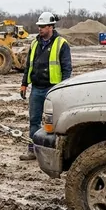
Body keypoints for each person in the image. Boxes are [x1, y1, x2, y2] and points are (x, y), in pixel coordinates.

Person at [19, 12, 72, 160]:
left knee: (54, 122)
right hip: (36, 88)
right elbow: (28, 66)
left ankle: (54, 153)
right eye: (39, 26)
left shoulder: (61, 44)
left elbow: (67, 68)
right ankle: (33, 150)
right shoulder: (35, 43)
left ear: (50, 27)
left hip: (53, 89)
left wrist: (64, 88)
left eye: (43, 27)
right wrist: (24, 84)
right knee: (34, 120)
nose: (40, 29)